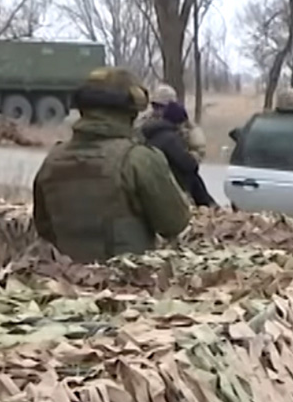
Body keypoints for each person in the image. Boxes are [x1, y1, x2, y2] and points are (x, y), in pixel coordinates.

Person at [33, 68, 192, 261]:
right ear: (131, 111)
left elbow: (44, 228)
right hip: (127, 285)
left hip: (67, 283)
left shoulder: (52, 162)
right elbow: (174, 223)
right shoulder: (138, 159)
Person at [141, 100, 218, 207]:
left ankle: (209, 204)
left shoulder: (153, 134)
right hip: (170, 185)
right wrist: (193, 157)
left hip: (156, 181)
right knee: (192, 176)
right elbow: (188, 164)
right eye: (183, 124)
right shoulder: (170, 139)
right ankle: (210, 205)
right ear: (178, 122)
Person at [137, 84, 209, 161]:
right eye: (155, 106)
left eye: (161, 106)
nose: (157, 110)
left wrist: (184, 157)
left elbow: (199, 150)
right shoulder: (146, 121)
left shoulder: (185, 124)